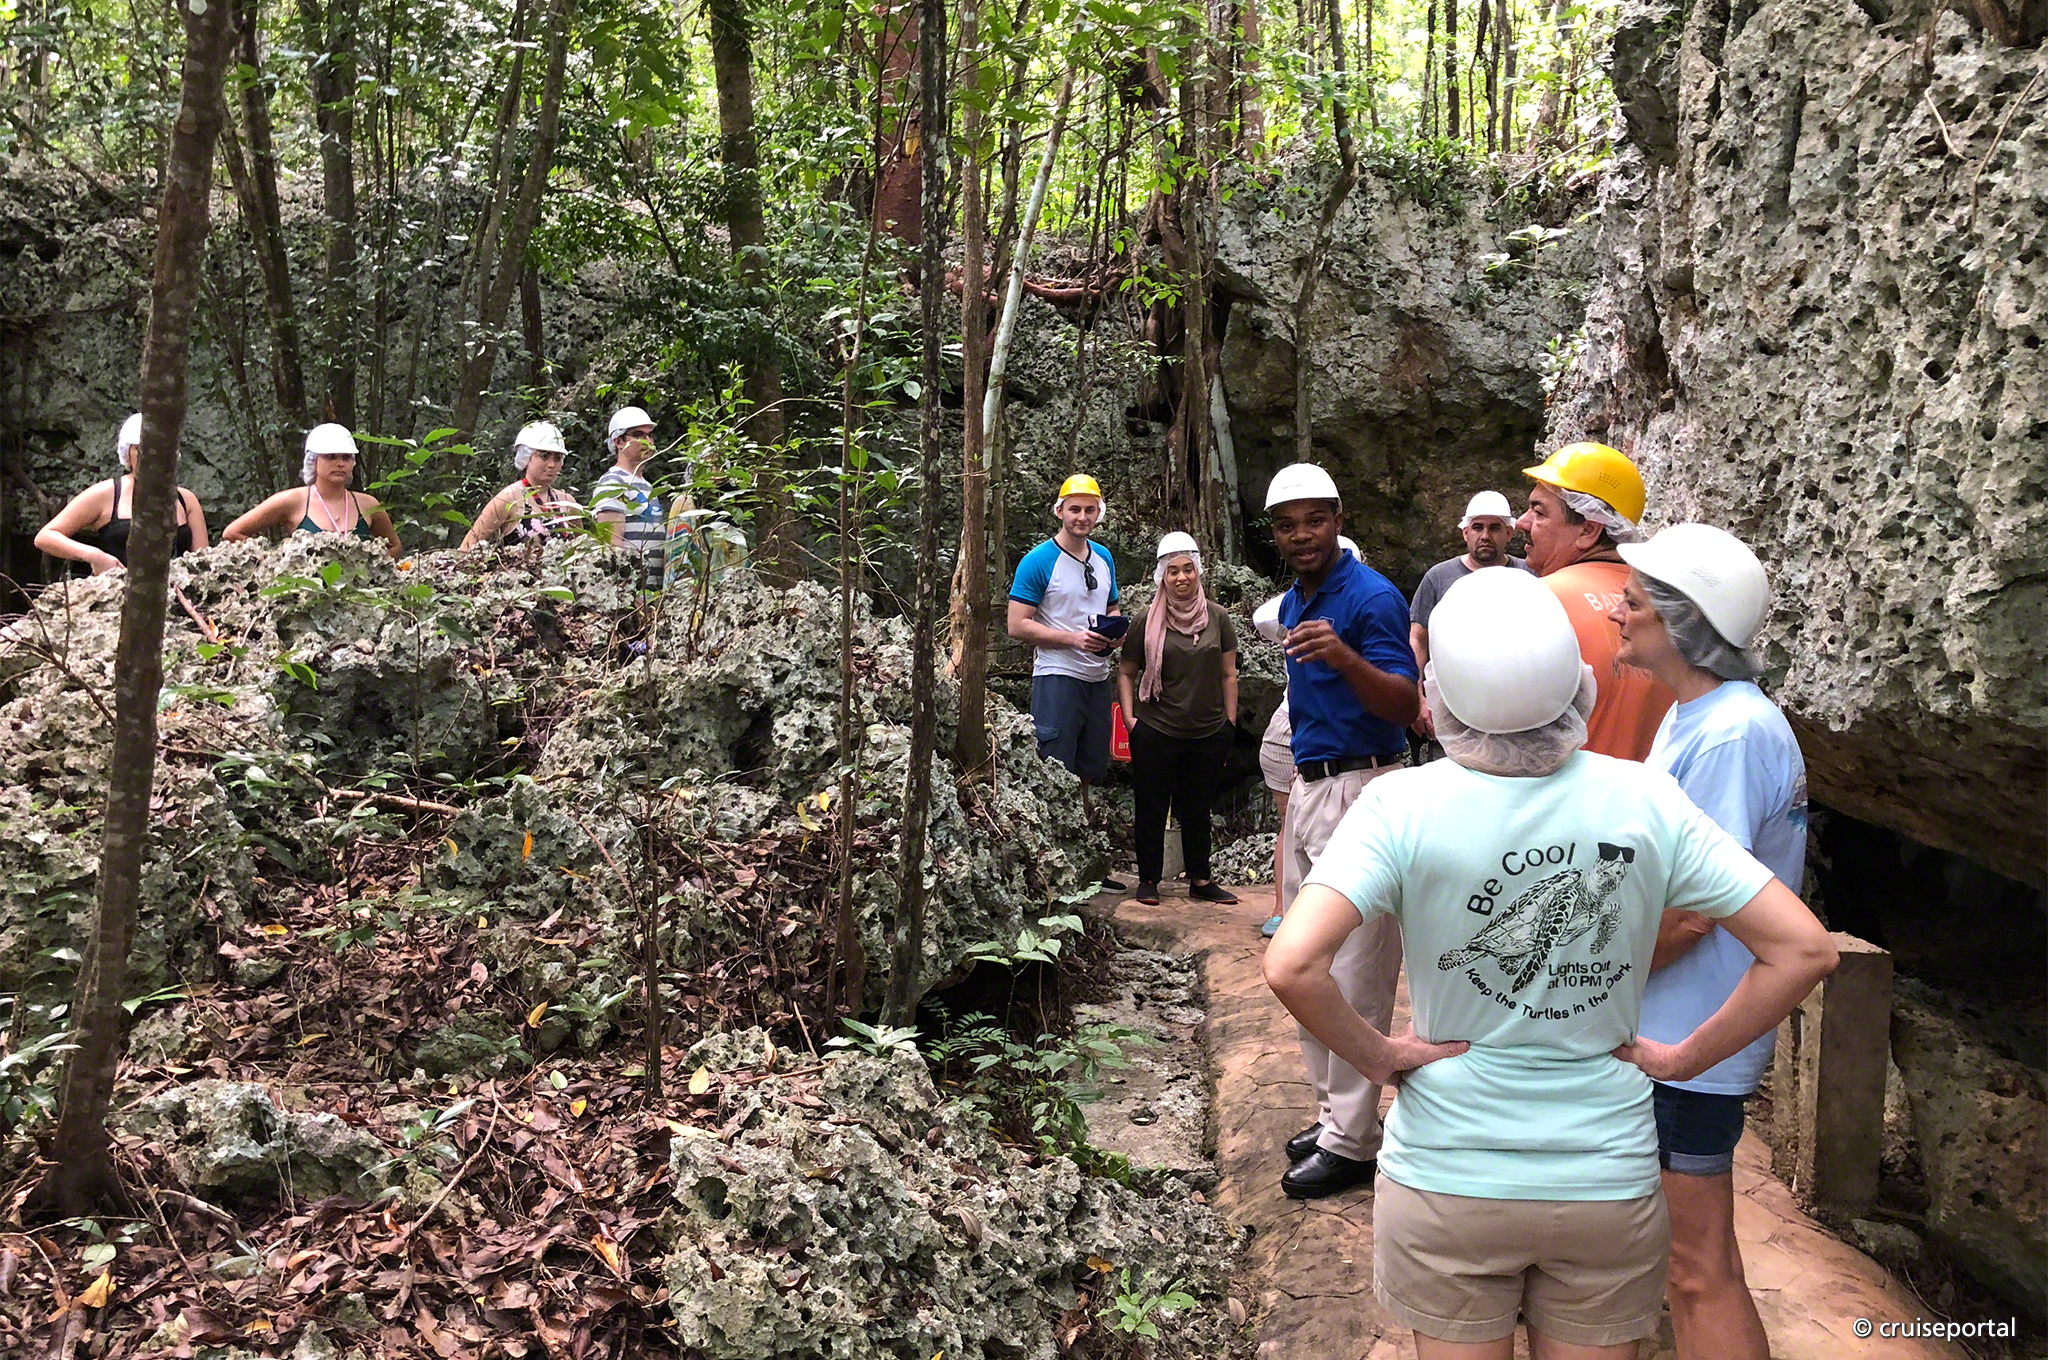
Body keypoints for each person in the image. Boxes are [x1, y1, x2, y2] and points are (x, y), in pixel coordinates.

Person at [1264, 565, 1837, 1360]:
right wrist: (1683, 1058)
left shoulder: (1400, 804)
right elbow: (1804, 949)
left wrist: (1383, 1058)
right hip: (1605, 1179)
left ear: (1439, 692)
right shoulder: (1644, 798)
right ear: (1578, 684)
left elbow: (1293, 965)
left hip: (1448, 1175)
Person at [1609, 523, 1803, 1360]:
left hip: (1686, 1038)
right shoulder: (1702, 717)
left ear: (1685, 623)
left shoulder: (1730, 734)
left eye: (1634, 602)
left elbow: (1697, 910)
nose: (1617, 612)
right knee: (1682, 1262)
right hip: (1673, 1027)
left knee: (1697, 1269)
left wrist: (1590, 980)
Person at [1263, 464, 1420, 1200]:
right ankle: (1333, 1117)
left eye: (1314, 520)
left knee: (1355, 969)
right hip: (1313, 785)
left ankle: (1354, 1141)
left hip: (1364, 786)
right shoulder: (1299, 598)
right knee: (1306, 962)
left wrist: (1345, 656)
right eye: (1287, 524)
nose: (1301, 535)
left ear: (1337, 520)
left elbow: (1405, 704)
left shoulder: (1371, 598)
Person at [1517, 442, 1672, 761]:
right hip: (1657, 793)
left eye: (1539, 512)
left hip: (1562, 793)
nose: (1521, 522)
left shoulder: (1537, 602)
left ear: (1588, 530)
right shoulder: (1666, 607)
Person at [1117, 532, 1239, 907]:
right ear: (1162, 576)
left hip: (1208, 730)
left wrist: (1229, 724)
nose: (1182, 577)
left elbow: (1229, 675)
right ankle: (1148, 879)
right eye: (1173, 571)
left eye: (1188, 569)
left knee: (1198, 808)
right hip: (1157, 729)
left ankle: (1201, 879)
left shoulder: (1217, 617)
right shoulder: (1146, 620)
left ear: (1198, 571)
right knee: (1151, 806)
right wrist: (1130, 721)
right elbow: (1126, 672)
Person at [1007, 474, 1122, 825]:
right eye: (1074, 509)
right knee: (1055, 763)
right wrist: (1073, 639)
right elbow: (1017, 624)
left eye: (1089, 510)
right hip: (1057, 675)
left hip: (1097, 677)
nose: (1082, 517)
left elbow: (1111, 606)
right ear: (1060, 511)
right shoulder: (1038, 561)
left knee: (1090, 764)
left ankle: (1082, 836)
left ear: (1099, 514)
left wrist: (1115, 632)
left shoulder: (1103, 558)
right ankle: (1052, 836)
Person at [1408, 490, 1529, 738]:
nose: (1485, 536)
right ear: (1465, 533)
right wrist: (1418, 698)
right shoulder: (1438, 578)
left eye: (1494, 528)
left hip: (1517, 708)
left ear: (1509, 533)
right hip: (1451, 709)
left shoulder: (1529, 576)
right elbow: (1418, 639)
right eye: (1477, 527)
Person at [35, 413, 209, 574]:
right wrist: (94, 556)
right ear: (127, 453)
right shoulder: (107, 494)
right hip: (117, 591)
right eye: (139, 449)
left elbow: (205, 562)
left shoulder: (186, 500)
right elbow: (46, 536)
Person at [223, 424, 401, 559]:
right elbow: (232, 533)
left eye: (346, 457)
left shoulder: (368, 504)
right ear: (313, 460)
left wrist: (373, 565)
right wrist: (274, 561)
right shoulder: (292, 500)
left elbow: (394, 546)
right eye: (331, 456)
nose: (340, 463)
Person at [461, 421, 584, 549]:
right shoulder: (508, 498)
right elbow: (467, 547)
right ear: (526, 457)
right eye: (544, 456)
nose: (551, 464)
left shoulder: (568, 502)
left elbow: (582, 549)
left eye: (557, 458)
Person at [590, 405, 666, 591]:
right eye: (639, 435)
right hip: (631, 594)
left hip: (654, 595)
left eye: (650, 435)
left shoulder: (647, 486)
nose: (648, 441)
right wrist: (629, 593)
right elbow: (612, 547)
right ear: (618, 441)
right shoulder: (613, 482)